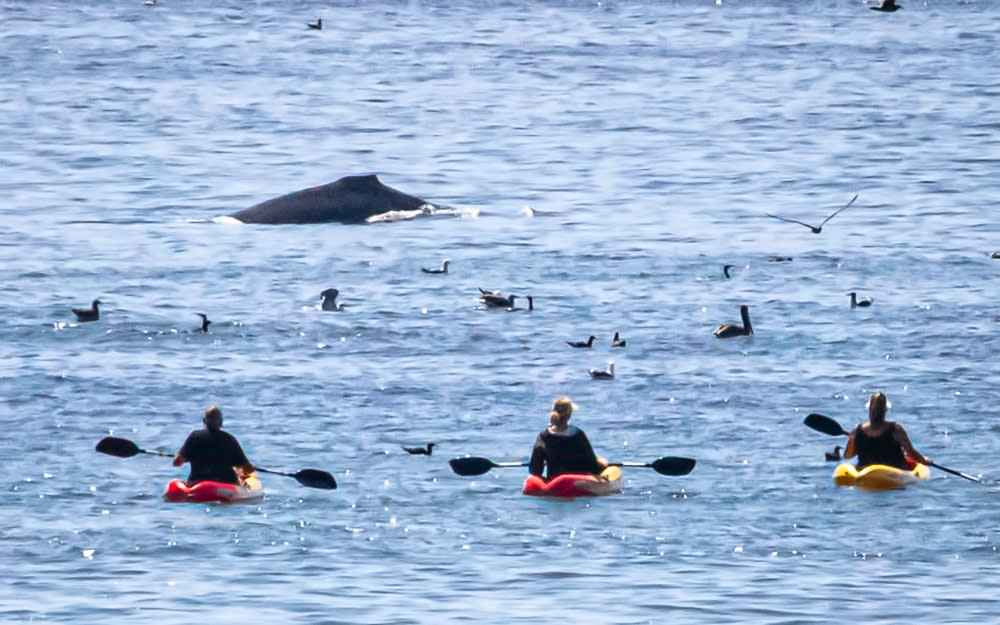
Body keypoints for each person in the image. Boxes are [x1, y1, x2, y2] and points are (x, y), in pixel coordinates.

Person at [843, 393, 930, 470]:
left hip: (866, 473)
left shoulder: (857, 430)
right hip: (893, 472)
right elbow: (911, 453)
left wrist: (853, 439)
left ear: (869, 410)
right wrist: (924, 461)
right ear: (885, 411)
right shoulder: (896, 429)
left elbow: (848, 456)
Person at [529, 397, 608, 480]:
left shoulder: (543, 436)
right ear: (569, 414)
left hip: (555, 482)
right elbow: (593, 467)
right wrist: (602, 463)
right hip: (580, 482)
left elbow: (535, 470)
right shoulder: (578, 435)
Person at [173, 406, 255, 485]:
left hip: (196, 482)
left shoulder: (194, 436)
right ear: (221, 422)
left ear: (204, 421)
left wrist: (178, 455)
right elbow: (246, 468)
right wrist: (251, 468)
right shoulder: (229, 439)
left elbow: (176, 463)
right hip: (226, 483)